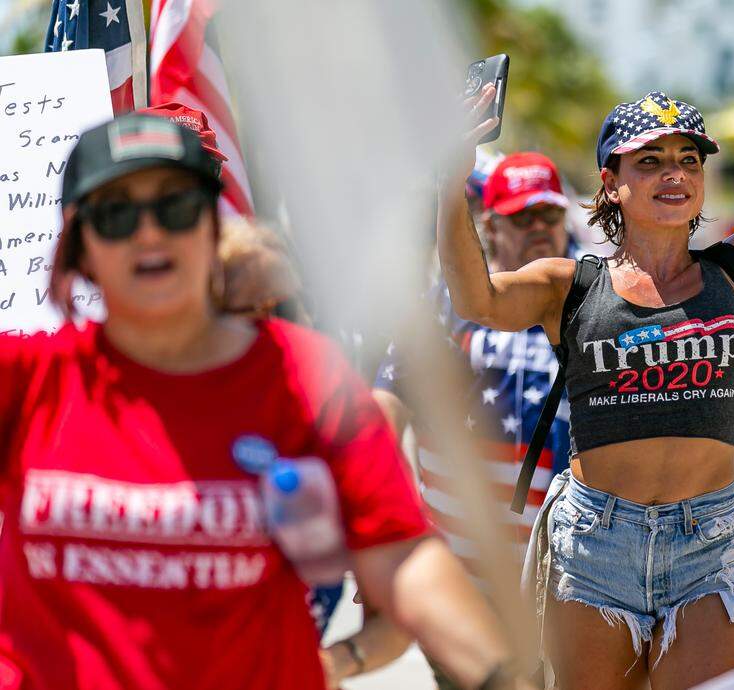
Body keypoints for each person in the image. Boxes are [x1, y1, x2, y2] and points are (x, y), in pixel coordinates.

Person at [437, 1, 734, 688]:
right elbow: (475, 300)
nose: (674, 172)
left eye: (687, 159)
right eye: (651, 160)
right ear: (611, 181)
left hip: (709, 544)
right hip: (593, 545)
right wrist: (448, 179)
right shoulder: (569, 285)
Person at [0, 114, 524, 690]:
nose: (149, 233)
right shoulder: (27, 378)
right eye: (117, 214)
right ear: (79, 246)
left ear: (212, 226)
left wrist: (502, 680)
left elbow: (399, 558)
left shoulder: (303, 377)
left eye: (176, 207)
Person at [372, 151, 577, 688]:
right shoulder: (442, 306)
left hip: (569, 578)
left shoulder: (594, 300)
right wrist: (382, 529)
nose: (538, 229)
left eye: (548, 216)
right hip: (462, 570)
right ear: (489, 225)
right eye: (520, 217)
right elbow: (385, 411)